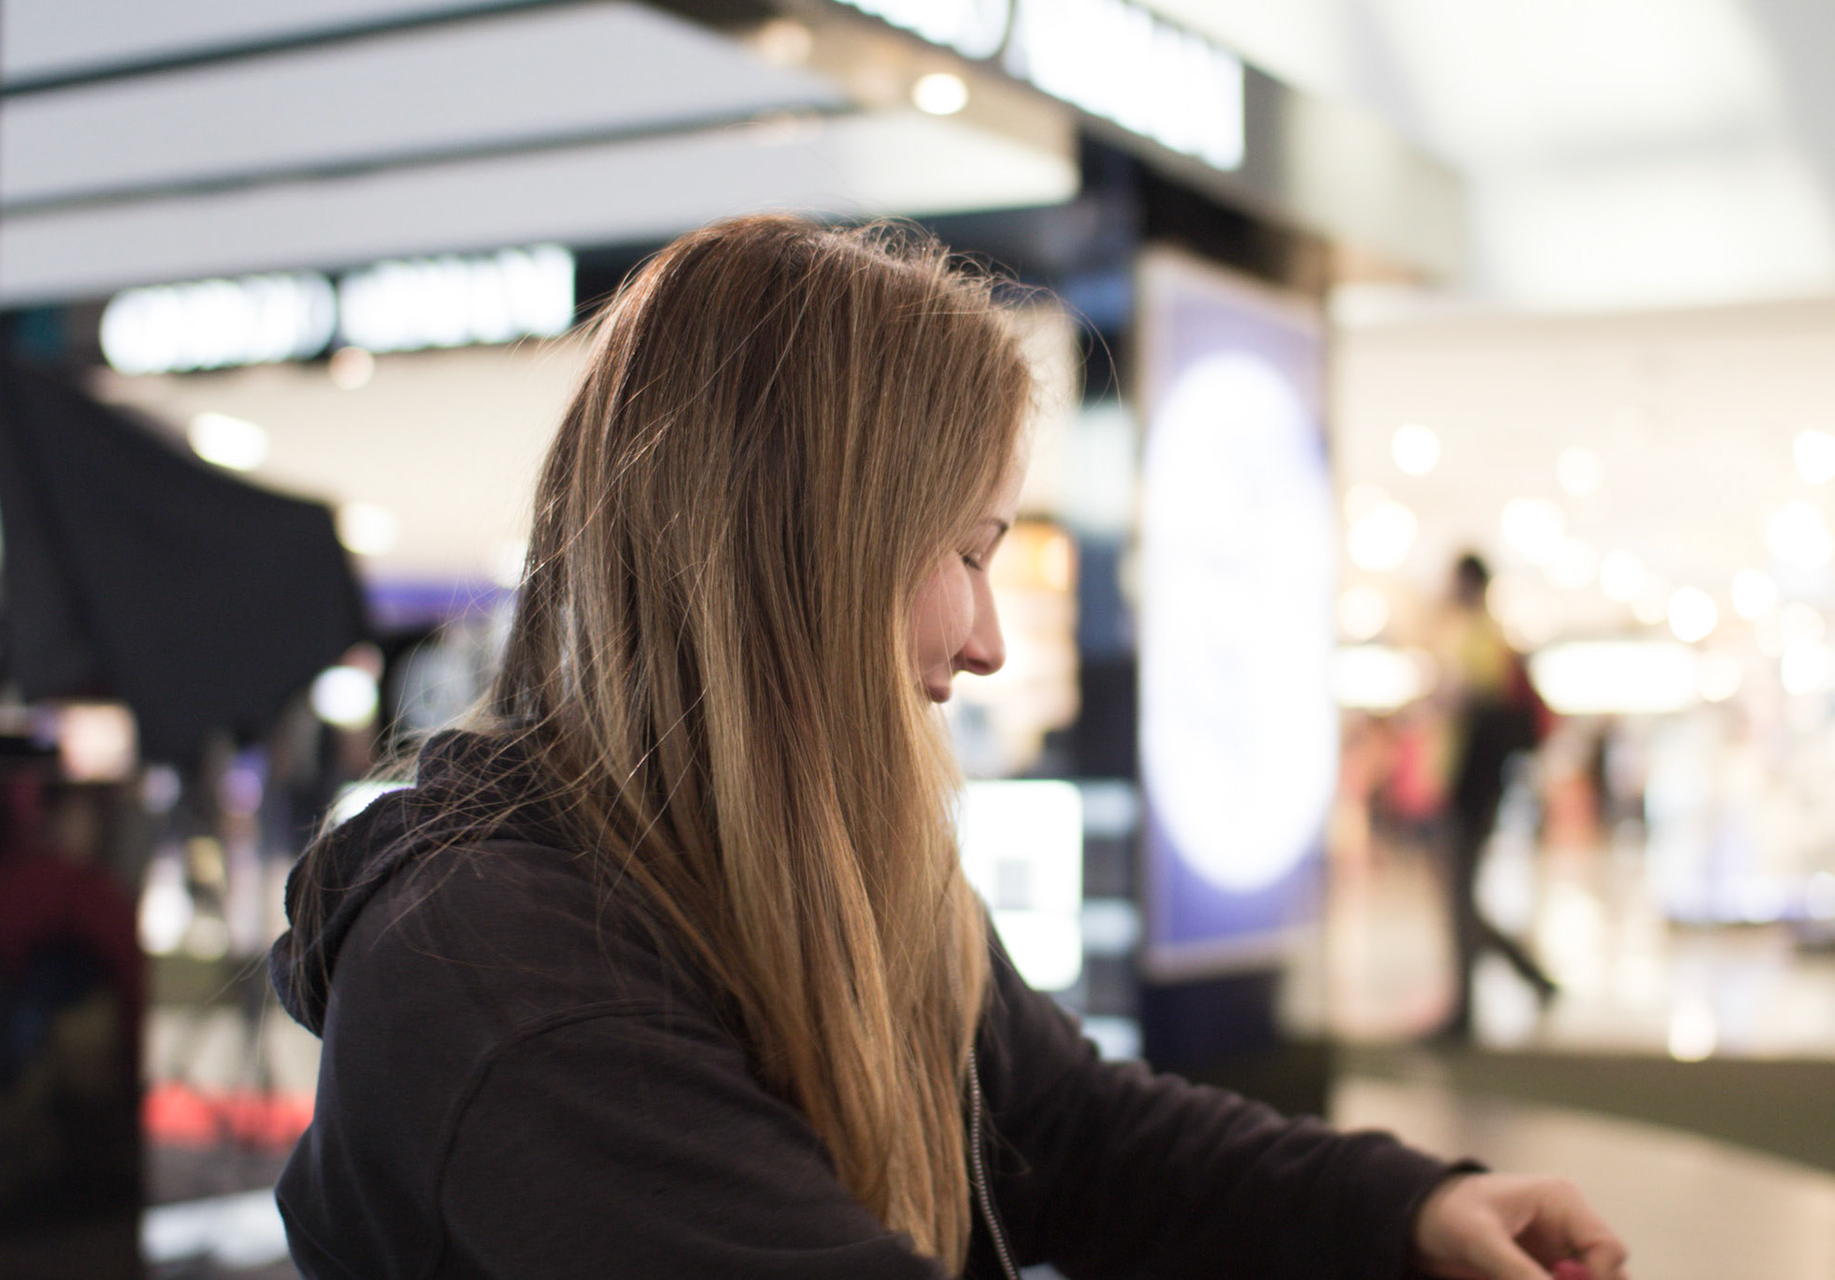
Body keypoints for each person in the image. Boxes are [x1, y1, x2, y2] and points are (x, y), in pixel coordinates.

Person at [269, 217, 1627, 1279]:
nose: (984, 641)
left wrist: (1412, 1209)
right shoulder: (506, 981)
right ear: (796, 553)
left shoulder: (809, 857)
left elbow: (1074, 1135)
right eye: (965, 553)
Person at [1431, 553, 1560, 1041]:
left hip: (1471, 789)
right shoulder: (1490, 635)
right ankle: (1527, 978)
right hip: (1476, 788)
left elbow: (1470, 708)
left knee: (1459, 899)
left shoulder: (1477, 637)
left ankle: (1467, 1008)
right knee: (1463, 898)